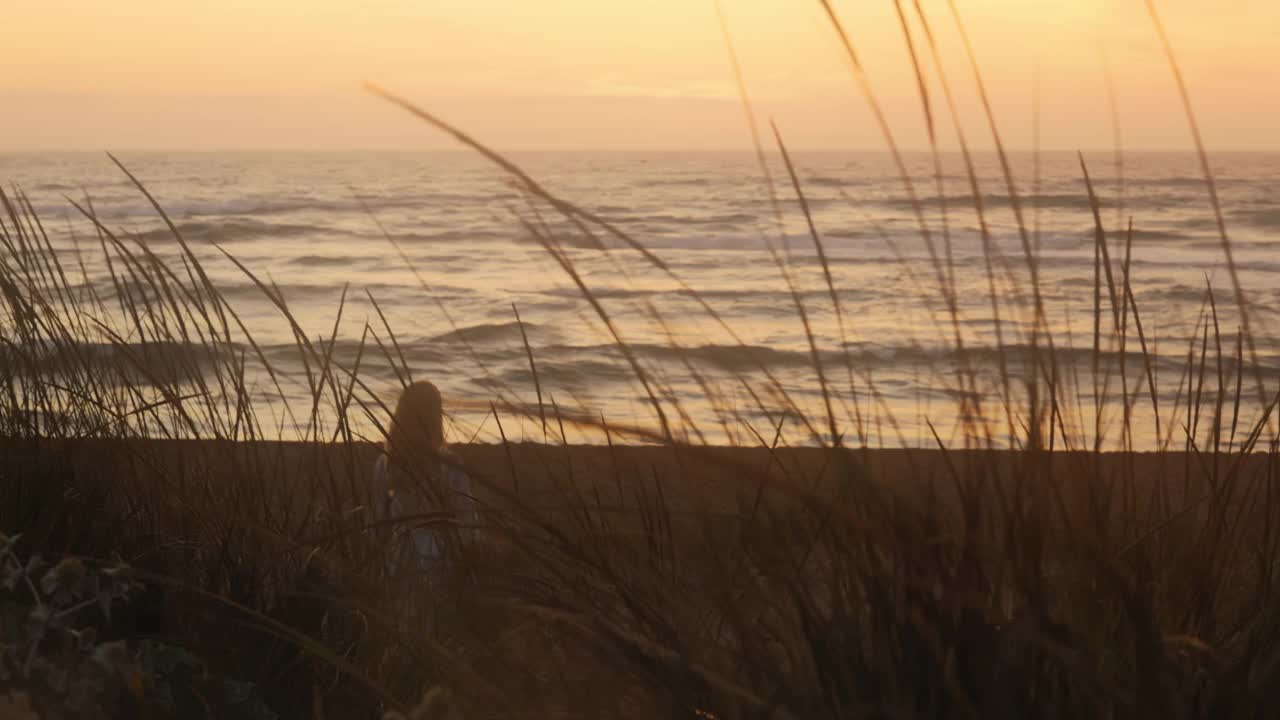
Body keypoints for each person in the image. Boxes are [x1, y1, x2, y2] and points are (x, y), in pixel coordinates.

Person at [371, 380, 478, 578]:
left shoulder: (385, 462)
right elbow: (467, 524)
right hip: (441, 564)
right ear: (435, 418)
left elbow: (379, 524)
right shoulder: (450, 463)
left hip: (398, 563)